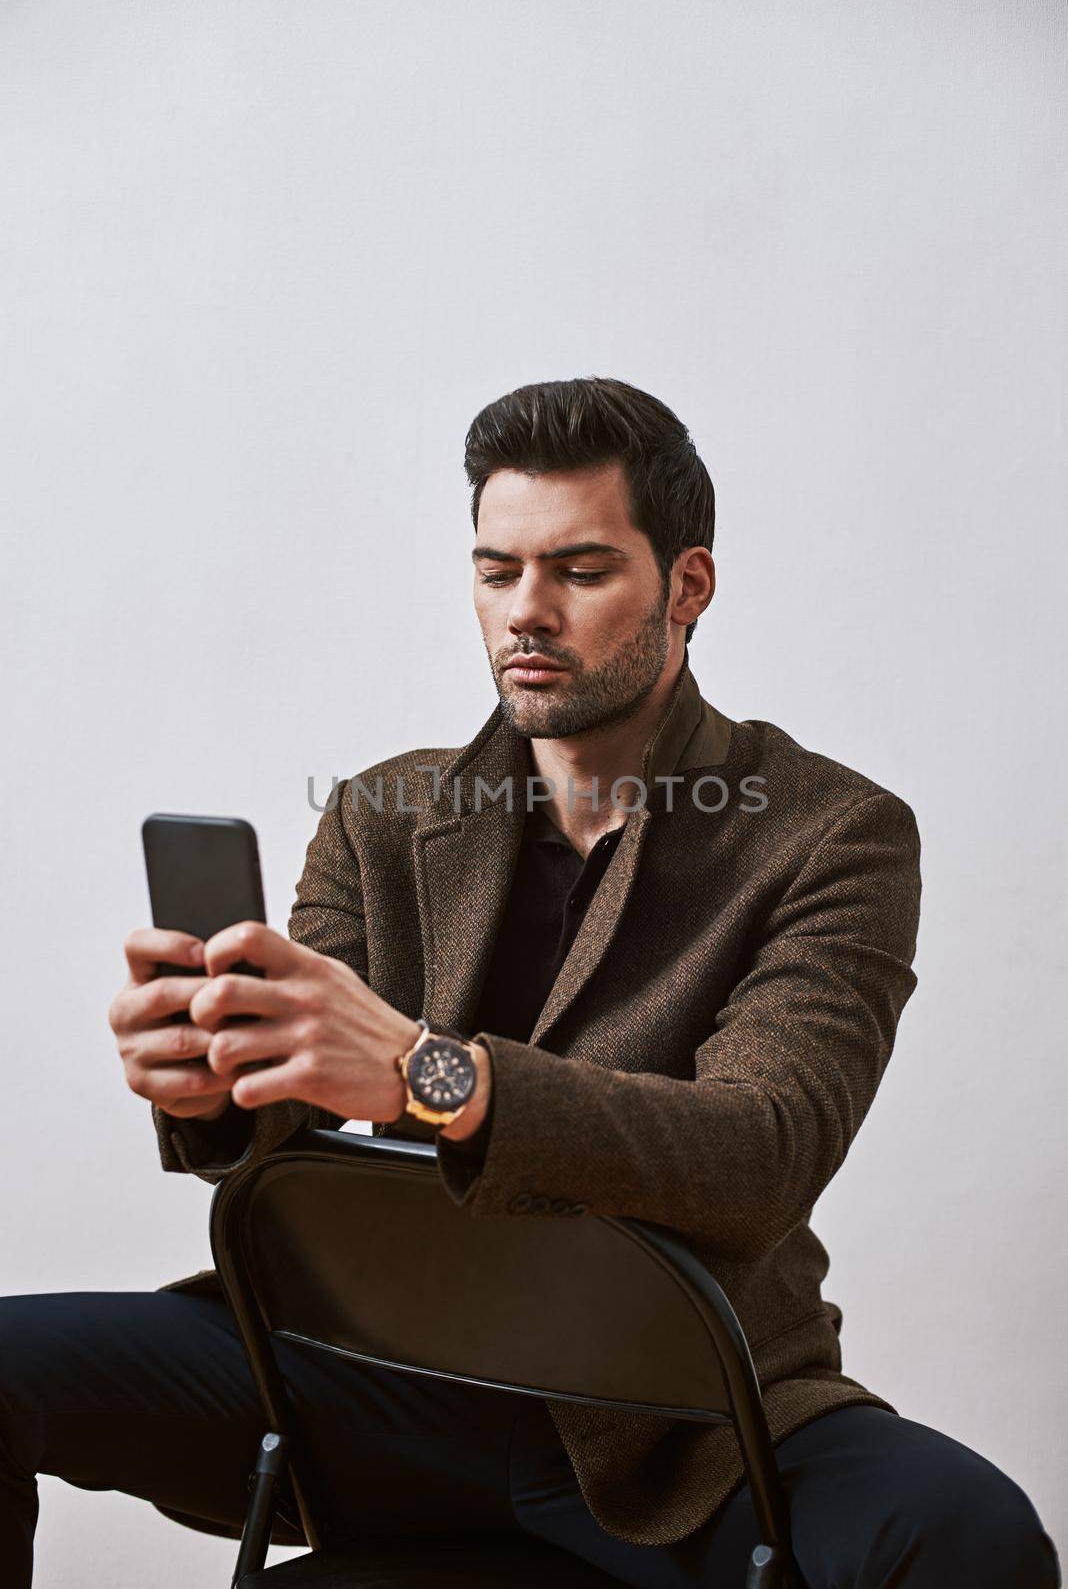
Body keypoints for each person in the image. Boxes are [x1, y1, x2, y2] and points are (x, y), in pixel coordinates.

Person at [0, 379, 1059, 1587]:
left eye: (582, 571)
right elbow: (280, 1124)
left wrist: (425, 1073)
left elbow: (760, 1149)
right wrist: (209, 1076)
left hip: (671, 1411)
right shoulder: (383, 814)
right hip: (373, 1373)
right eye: (497, 571)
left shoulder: (832, 832)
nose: (527, 612)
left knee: (968, 1535)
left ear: (688, 587)